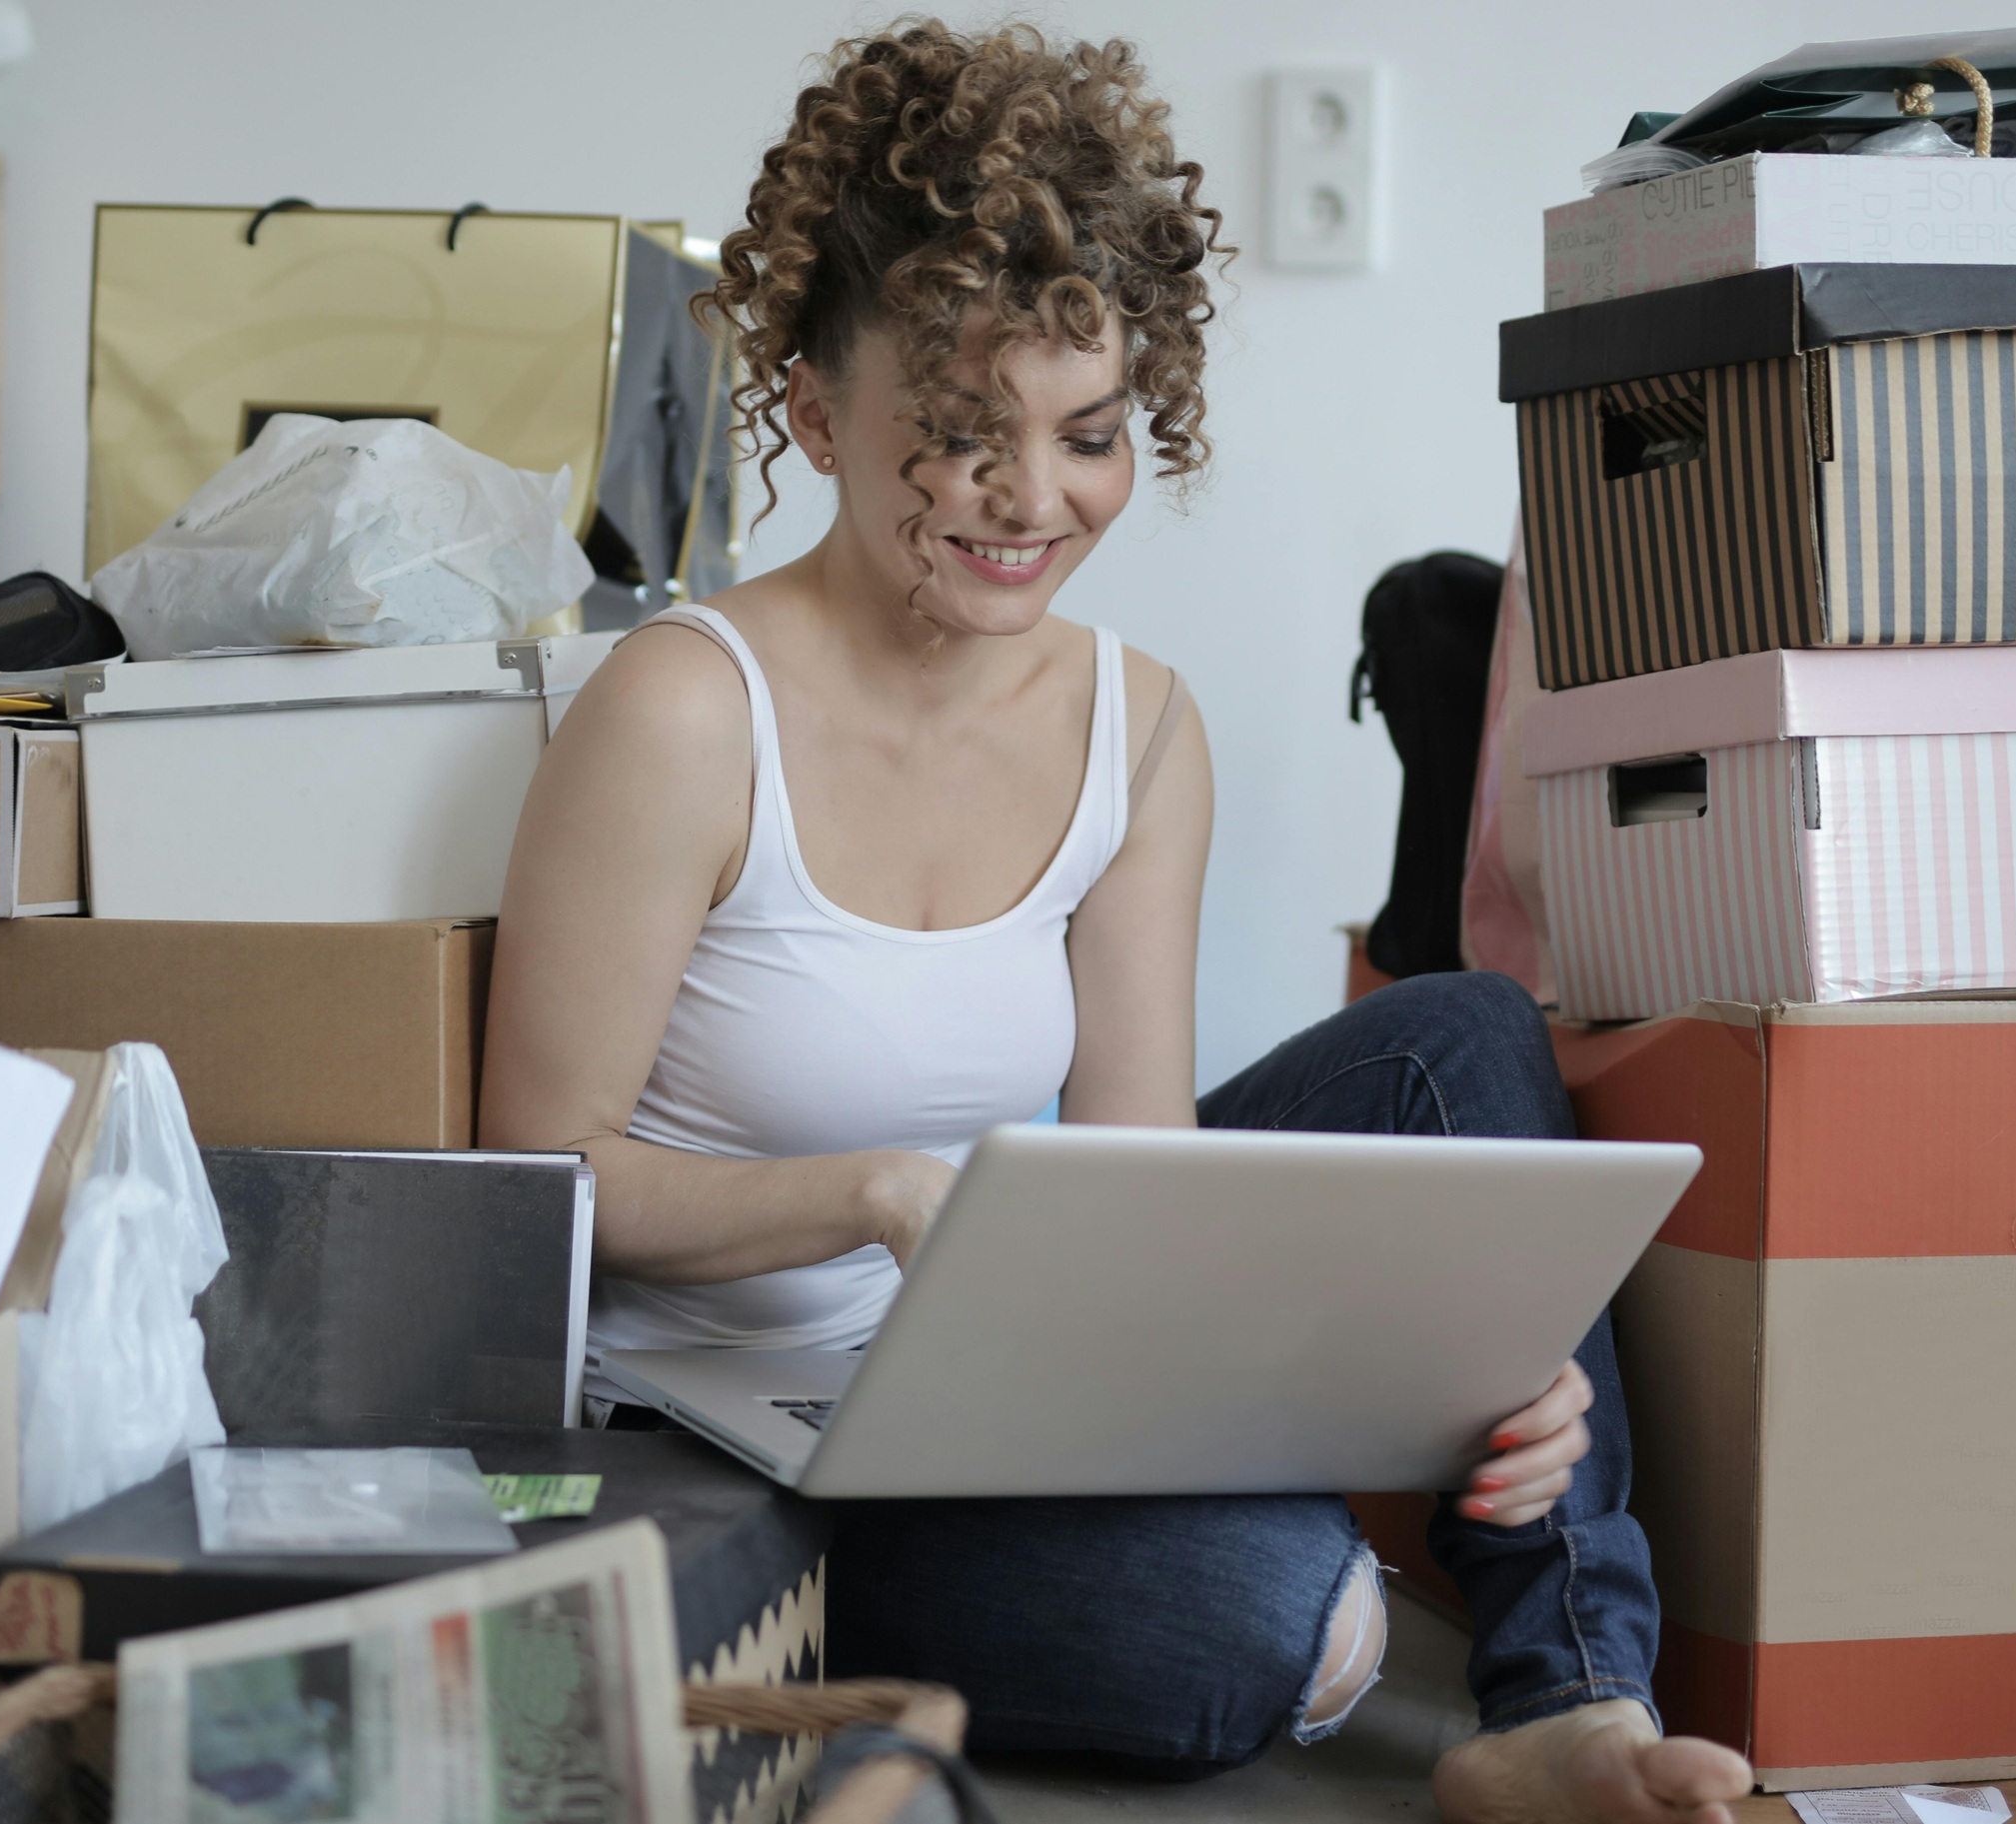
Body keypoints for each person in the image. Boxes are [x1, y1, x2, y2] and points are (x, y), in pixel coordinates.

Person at [479, 22, 1753, 1823]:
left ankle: (1567, 1701)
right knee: (1287, 1621)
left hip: (1017, 1367)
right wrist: (868, 1192)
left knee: (1466, 1035)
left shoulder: (1138, 726)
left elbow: (1151, 1203)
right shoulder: (685, 710)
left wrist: (1469, 1356)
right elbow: (543, 1179)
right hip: (743, 1434)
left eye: (1085, 437)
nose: (1031, 501)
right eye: (956, 435)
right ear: (818, 396)